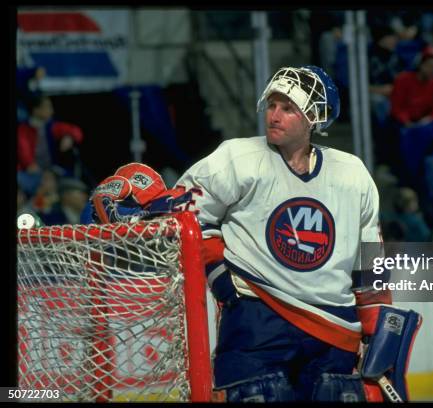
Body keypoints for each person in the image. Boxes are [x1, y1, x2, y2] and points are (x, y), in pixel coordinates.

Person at [173, 66, 419, 402]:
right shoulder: (237, 158)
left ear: (316, 117)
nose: (274, 115)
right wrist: (221, 279)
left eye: (288, 108)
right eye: (272, 105)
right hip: (258, 321)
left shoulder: (352, 174)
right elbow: (187, 217)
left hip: (335, 329)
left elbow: (369, 259)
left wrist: (375, 329)